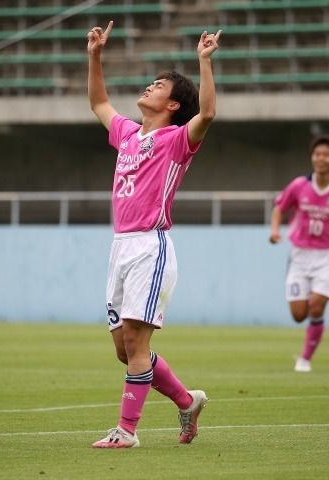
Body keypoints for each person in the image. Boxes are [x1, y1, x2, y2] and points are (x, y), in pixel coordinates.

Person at [87, 20, 221, 448]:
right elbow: (98, 102)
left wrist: (203, 62)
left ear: (174, 104)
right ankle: (186, 401)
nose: (149, 86)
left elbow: (210, 113)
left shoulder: (177, 140)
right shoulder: (127, 133)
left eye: (158, 85)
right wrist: (94, 56)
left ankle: (126, 431)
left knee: (137, 343)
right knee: (124, 350)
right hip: (120, 246)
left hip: (150, 246)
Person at [269, 135, 329, 373]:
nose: (320, 158)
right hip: (300, 255)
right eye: (317, 154)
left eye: (326, 155)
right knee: (299, 314)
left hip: (327, 257)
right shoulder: (299, 186)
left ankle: (305, 358)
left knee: (316, 307)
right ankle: (306, 343)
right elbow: (280, 208)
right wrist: (274, 230)